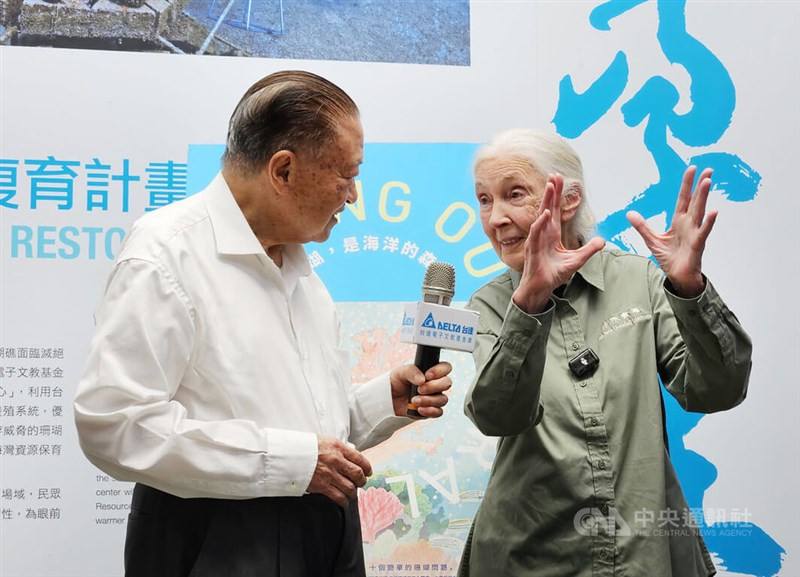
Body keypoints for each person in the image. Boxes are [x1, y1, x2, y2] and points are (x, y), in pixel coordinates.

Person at [73, 70, 453, 577]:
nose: (353, 195)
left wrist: (384, 400)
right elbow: (115, 424)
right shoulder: (167, 254)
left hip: (325, 530)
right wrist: (293, 462)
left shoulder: (301, 270)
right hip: (215, 537)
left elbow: (307, 425)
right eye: (347, 174)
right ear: (283, 171)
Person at [458, 129, 751, 577]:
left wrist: (690, 290)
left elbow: (717, 392)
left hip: (642, 554)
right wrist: (529, 304)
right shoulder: (489, 305)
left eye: (514, 195)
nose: (495, 218)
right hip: (528, 556)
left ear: (568, 200)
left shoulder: (639, 281)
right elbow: (499, 416)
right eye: (483, 200)